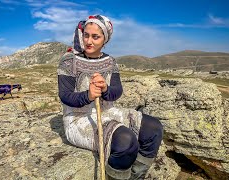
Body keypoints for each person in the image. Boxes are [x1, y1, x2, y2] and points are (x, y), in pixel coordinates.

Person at [57, 14, 163, 180]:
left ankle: (136, 176)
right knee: (126, 141)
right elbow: (65, 96)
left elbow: (117, 91)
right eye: (86, 35)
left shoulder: (110, 62)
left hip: (109, 111)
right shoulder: (69, 61)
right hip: (78, 119)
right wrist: (88, 95)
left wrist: (105, 88)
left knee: (154, 128)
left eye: (95, 37)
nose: (88, 41)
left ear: (105, 39)